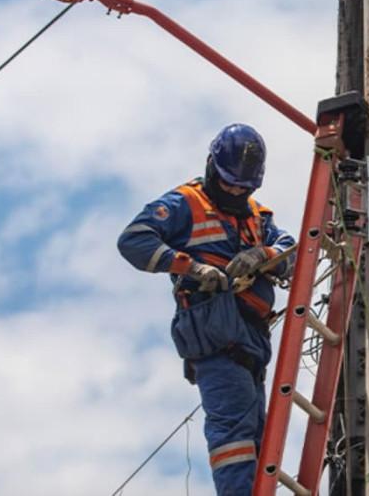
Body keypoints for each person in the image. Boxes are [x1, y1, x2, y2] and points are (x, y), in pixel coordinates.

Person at [117, 123, 295, 495]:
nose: (234, 192)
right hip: (215, 336)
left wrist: (262, 254)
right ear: (212, 166)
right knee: (234, 436)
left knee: (259, 441)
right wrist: (192, 268)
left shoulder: (257, 216)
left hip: (252, 341)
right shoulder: (185, 203)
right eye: (229, 183)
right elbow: (133, 240)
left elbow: (291, 249)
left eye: (243, 187)